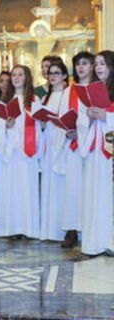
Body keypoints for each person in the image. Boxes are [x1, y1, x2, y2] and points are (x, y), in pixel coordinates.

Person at [0, 65, 41, 239]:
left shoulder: (35, 100)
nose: (16, 78)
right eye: (14, 75)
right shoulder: (4, 100)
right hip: (10, 150)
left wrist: (41, 125)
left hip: (28, 150)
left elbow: (40, 122)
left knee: (26, 189)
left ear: (27, 77)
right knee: (11, 188)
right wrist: (5, 126)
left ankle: (28, 228)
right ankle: (11, 228)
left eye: (20, 75)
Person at [56, 51, 94, 248]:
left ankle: (90, 228)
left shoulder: (98, 89)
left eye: (85, 63)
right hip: (73, 146)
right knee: (72, 189)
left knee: (90, 188)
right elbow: (63, 116)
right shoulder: (67, 92)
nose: (81, 67)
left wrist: (83, 132)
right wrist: (68, 130)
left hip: (92, 146)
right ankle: (71, 229)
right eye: (78, 64)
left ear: (92, 66)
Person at [80, 50, 114, 256]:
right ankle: (95, 241)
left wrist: (107, 117)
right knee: (95, 192)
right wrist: (91, 116)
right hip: (95, 150)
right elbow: (86, 124)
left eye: (103, 63)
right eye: (97, 64)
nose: (99, 67)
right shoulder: (93, 90)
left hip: (110, 150)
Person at [40, 60, 69, 241]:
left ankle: (63, 230)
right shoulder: (45, 98)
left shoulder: (69, 94)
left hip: (64, 143)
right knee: (49, 185)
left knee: (62, 186)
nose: (52, 76)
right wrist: (42, 124)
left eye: (57, 73)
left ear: (65, 76)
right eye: (50, 73)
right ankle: (50, 230)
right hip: (49, 142)